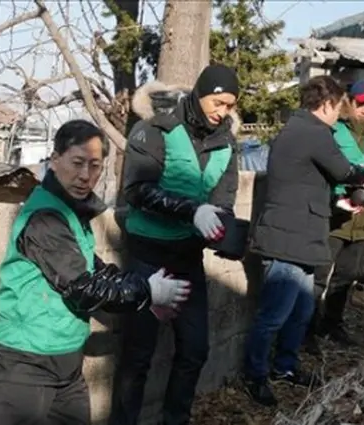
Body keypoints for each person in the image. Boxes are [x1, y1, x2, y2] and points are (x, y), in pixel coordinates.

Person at [0, 119, 191, 425]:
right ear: (55, 161)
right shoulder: (45, 217)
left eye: (95, 166)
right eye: (77, 163)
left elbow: (96, 270)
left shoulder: (70, 211)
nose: (85, 176)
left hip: (65, 362)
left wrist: (145, 292)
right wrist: (148, 291)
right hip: (24, 365)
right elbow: (84, 287)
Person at [109, 64, 242, 425]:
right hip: (147, 255)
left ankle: (175, 419)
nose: (222, 112)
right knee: (138, 354)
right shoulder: (156, 129)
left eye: (230, 105)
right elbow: (136, 190)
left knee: (195, 349)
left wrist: (221, 227)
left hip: (187, 256)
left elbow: (225, 198)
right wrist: (191, 211)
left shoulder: (226, 143)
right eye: (218, 102)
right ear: (200, 94)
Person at [243, 76, 364, 407]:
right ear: (327, 103)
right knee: (273, 315)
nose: (339, 113)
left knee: (300, 310)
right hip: (287, 239)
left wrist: (334, 205)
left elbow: (303, 183)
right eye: (339, 106)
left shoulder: (296, 130)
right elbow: (344, 171)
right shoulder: (313, 132)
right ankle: (254, 375)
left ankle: (285, 367)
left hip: (299, 236)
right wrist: (362, 176)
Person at [305, 80, 364, 352]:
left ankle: (332, 324)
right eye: (362, 103)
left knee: (346, 276)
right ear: (350, 103)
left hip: (362, 218)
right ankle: (307, 329)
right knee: (319, 276)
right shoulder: (333, 132)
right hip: (335, 215)